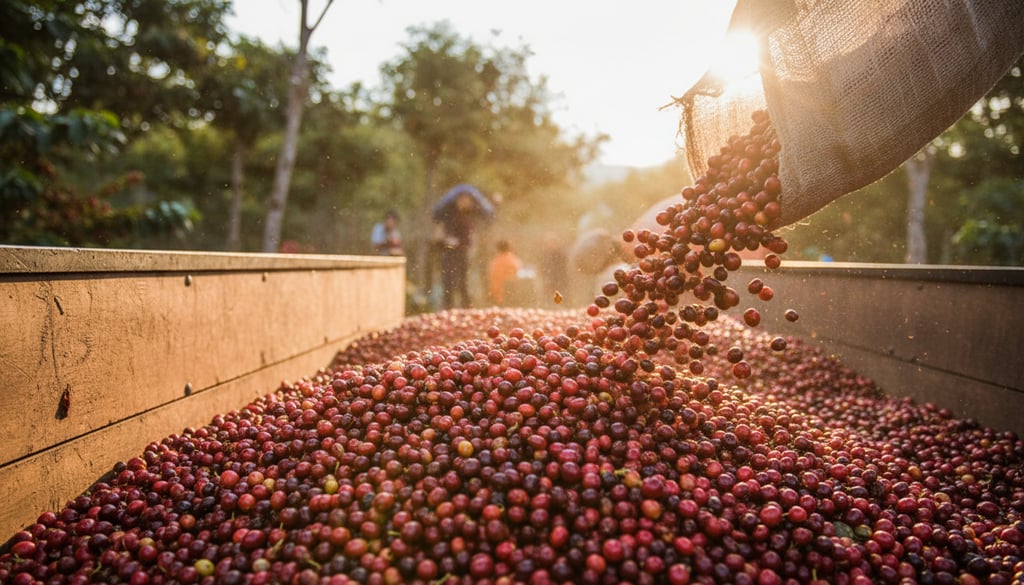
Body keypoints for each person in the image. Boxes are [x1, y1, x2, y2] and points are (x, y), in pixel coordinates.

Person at [488, 239, 522, 306]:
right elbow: (518, 275)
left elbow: (493, 278)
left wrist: (492, 293)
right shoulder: (514, 260)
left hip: (500, 293)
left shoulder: (496, 262)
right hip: (514, 292)